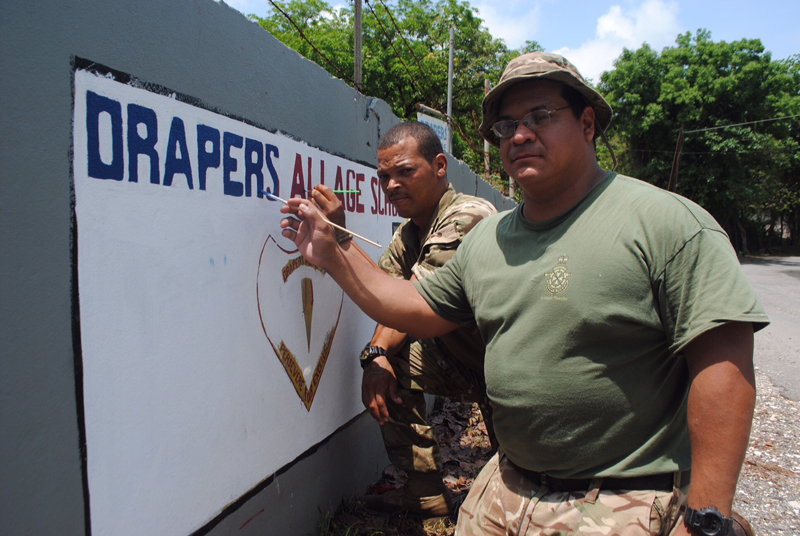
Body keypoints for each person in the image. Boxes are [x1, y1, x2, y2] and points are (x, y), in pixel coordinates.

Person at [280, 52, 767, 536]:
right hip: (508, 486)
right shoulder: (491, 241)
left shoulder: (666, 224)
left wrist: (706, 520)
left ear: (587, 123)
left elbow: (724, 366)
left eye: (541, 116)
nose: (520, 135)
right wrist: (334, 253)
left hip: (620, 497)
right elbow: (413, 306)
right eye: (506, 125)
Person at [310, 122, 497, 518]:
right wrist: (376, 356)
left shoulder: (468, 217)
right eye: (384, 177)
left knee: (523, 489)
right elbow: (386, 292)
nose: (392, 185)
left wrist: (336, 245)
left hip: (512, 377)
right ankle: (424, 492)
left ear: (440, 166)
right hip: (468, 363)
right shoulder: (410, 234)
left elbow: (413, 305)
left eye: (405, 171)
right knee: (386, 361)